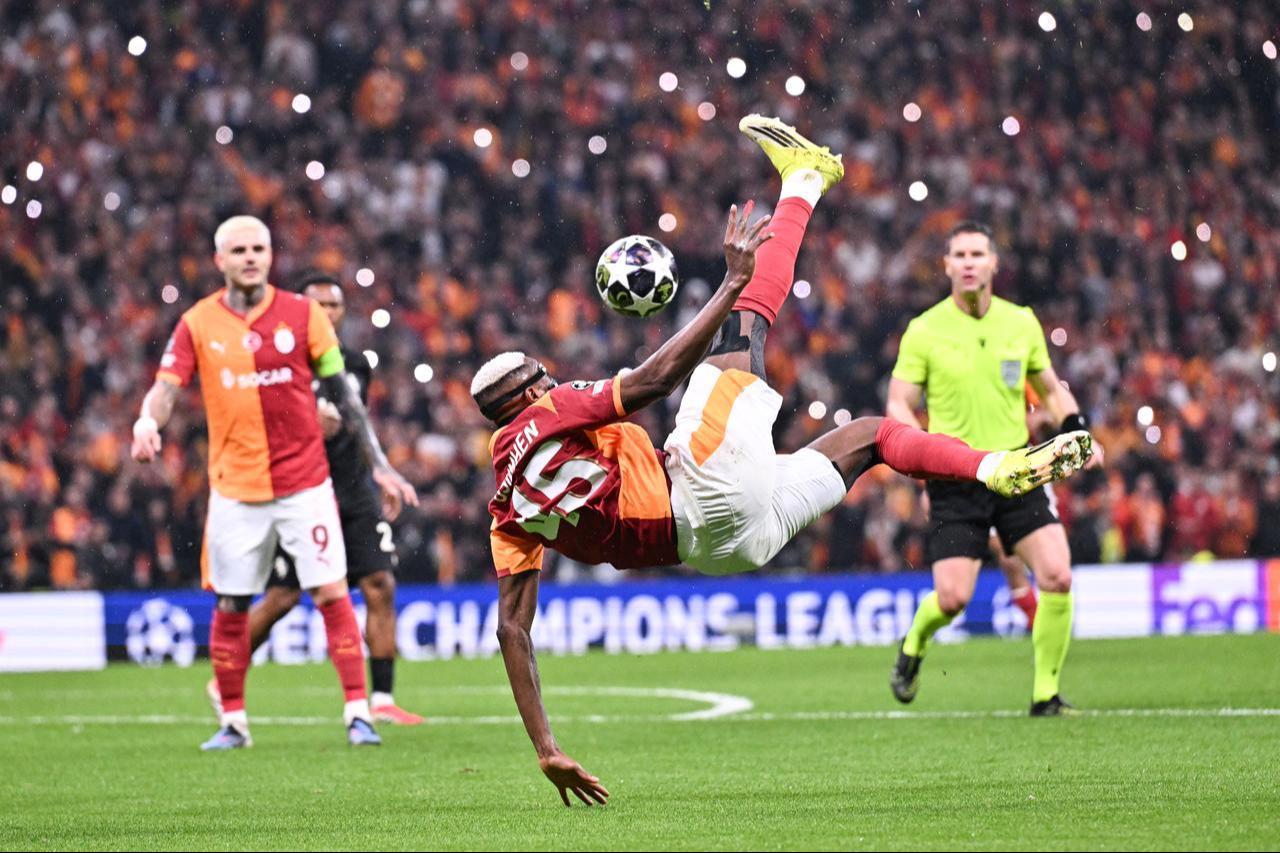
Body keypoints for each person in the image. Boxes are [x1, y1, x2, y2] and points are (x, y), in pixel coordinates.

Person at [472, 118, 1091, 805]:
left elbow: (511, 628)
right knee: (742, 320)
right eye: (540, 373)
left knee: (871, 437)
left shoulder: (504, 509)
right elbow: (648, 383)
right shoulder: (551, 410)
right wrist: (728, 280)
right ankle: (805, 177)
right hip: (699, 486)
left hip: (723, 549)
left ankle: (989, 465)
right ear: (526, 392)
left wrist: (548, 748)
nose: (550, 376)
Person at [130, 216, 419, 749]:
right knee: (234, 604)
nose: (250, 257)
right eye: (238, 249)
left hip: (305, 484)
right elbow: (166, 388)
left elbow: (346, 395)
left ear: (271, 255)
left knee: (332, 593)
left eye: (259, 248)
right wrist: (148, 421)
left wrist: (378, 461)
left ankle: (359, 712)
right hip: (235, 491)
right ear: (219, 260)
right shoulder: (197, 322)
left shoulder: (304, 316)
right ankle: (234, 721)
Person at [885, 220, 1104, 717]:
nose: (967, 262)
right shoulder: (924, 330)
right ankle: (914, 644)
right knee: (953, 598)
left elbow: (1049, 388)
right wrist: (918, 450)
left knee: (1057, 576)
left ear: (993, 264)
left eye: (976, 254)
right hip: (956, 477)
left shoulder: (1020, 322)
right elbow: (899, 401)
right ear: (945, 266)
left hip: (1017, 470)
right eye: (958, 254)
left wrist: (1079, 430)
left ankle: (1045, 694)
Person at [205, 272, 423, 725]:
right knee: (283, 597)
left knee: (380, 585)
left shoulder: (355, 363)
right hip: (298, 489)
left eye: (335, 305)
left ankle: (381, 700)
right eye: (317, 305)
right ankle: (225, 680)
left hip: (353, 488)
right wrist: (305, 423)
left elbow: (359, 420)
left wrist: (380, 472)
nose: (327, 313)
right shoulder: (273, 360)